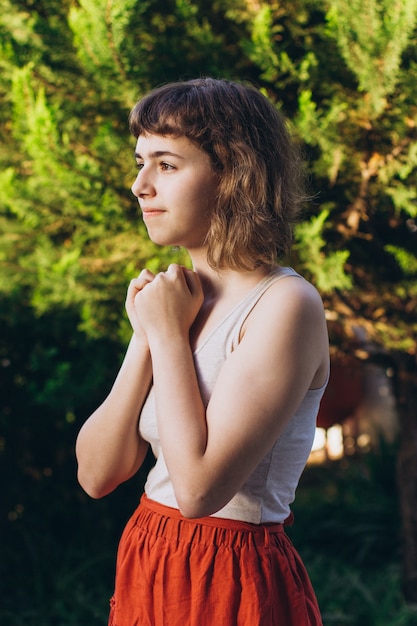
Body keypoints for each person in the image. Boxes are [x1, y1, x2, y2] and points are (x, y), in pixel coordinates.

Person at [75, 77, 329, 626]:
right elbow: (97, 475)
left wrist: (166, 336)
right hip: (149, 554)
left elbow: (198, 492)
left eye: (166, 165)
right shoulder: (176, 301)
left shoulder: (285, 305)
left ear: (233, 175)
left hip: (229, 577)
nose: (140, 185)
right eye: (140, 162)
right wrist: (146, 335)